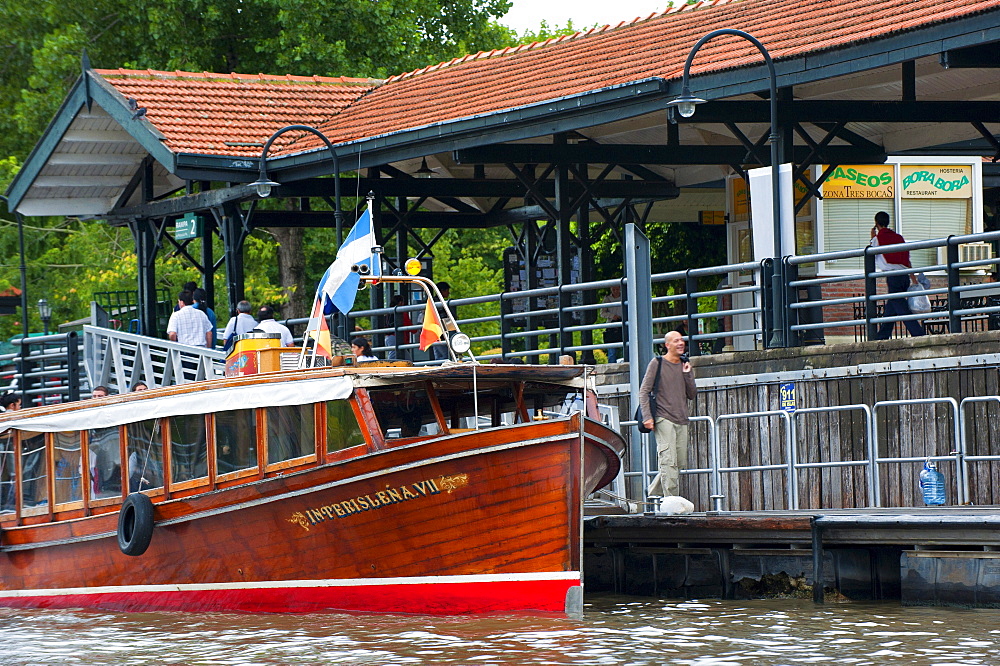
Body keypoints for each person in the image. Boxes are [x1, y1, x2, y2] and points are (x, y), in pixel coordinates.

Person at [640, 330, 697, 500]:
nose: (681, 343)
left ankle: (652, 492)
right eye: (676, 341)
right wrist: (647, 416)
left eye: (682, 340)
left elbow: (692, 394)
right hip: (662, 417)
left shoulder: (684, 364)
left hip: (682, 419)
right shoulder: (656, 363)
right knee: (668, 461)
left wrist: (687, 374)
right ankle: (672, 504)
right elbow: (643, 392)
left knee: (678, 463)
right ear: (667, 345)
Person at [870, 211, 925, 340]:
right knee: (892, 307)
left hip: (892, 276)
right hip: (904, 275)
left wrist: (872, 237)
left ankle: (918, 334)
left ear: (876, 223)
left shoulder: (878, 239)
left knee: (900, 306)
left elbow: (871, 254)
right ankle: (882, 335)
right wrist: (913, 278)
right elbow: (907, 259)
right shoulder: (899, 237)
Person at [600, 284, 624, 363]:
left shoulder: (624, 297)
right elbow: (602, 313)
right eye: (614, 289)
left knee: (626, 347)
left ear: (620, 289)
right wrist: (612, 316)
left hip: (623, 324)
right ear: (611, 289)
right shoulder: (607, 299)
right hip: (611, 325)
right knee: (612, 351)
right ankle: (612, 365)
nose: (615, 291)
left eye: (617, 289)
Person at [386, 294, 411, 360]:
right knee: (395, 357)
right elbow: (411, 328)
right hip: (397, 338)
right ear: (400, 302)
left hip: (389, 337)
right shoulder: (402, 313)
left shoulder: (388, 312)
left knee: (396, 356)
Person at [432, 282, 452, 361]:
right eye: (447, 290)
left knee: (438, 355)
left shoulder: (434, 300)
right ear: (442, 291)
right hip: (440, 332)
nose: (448, 292)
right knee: (445, 355)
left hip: (435, 332)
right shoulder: (439, 302)